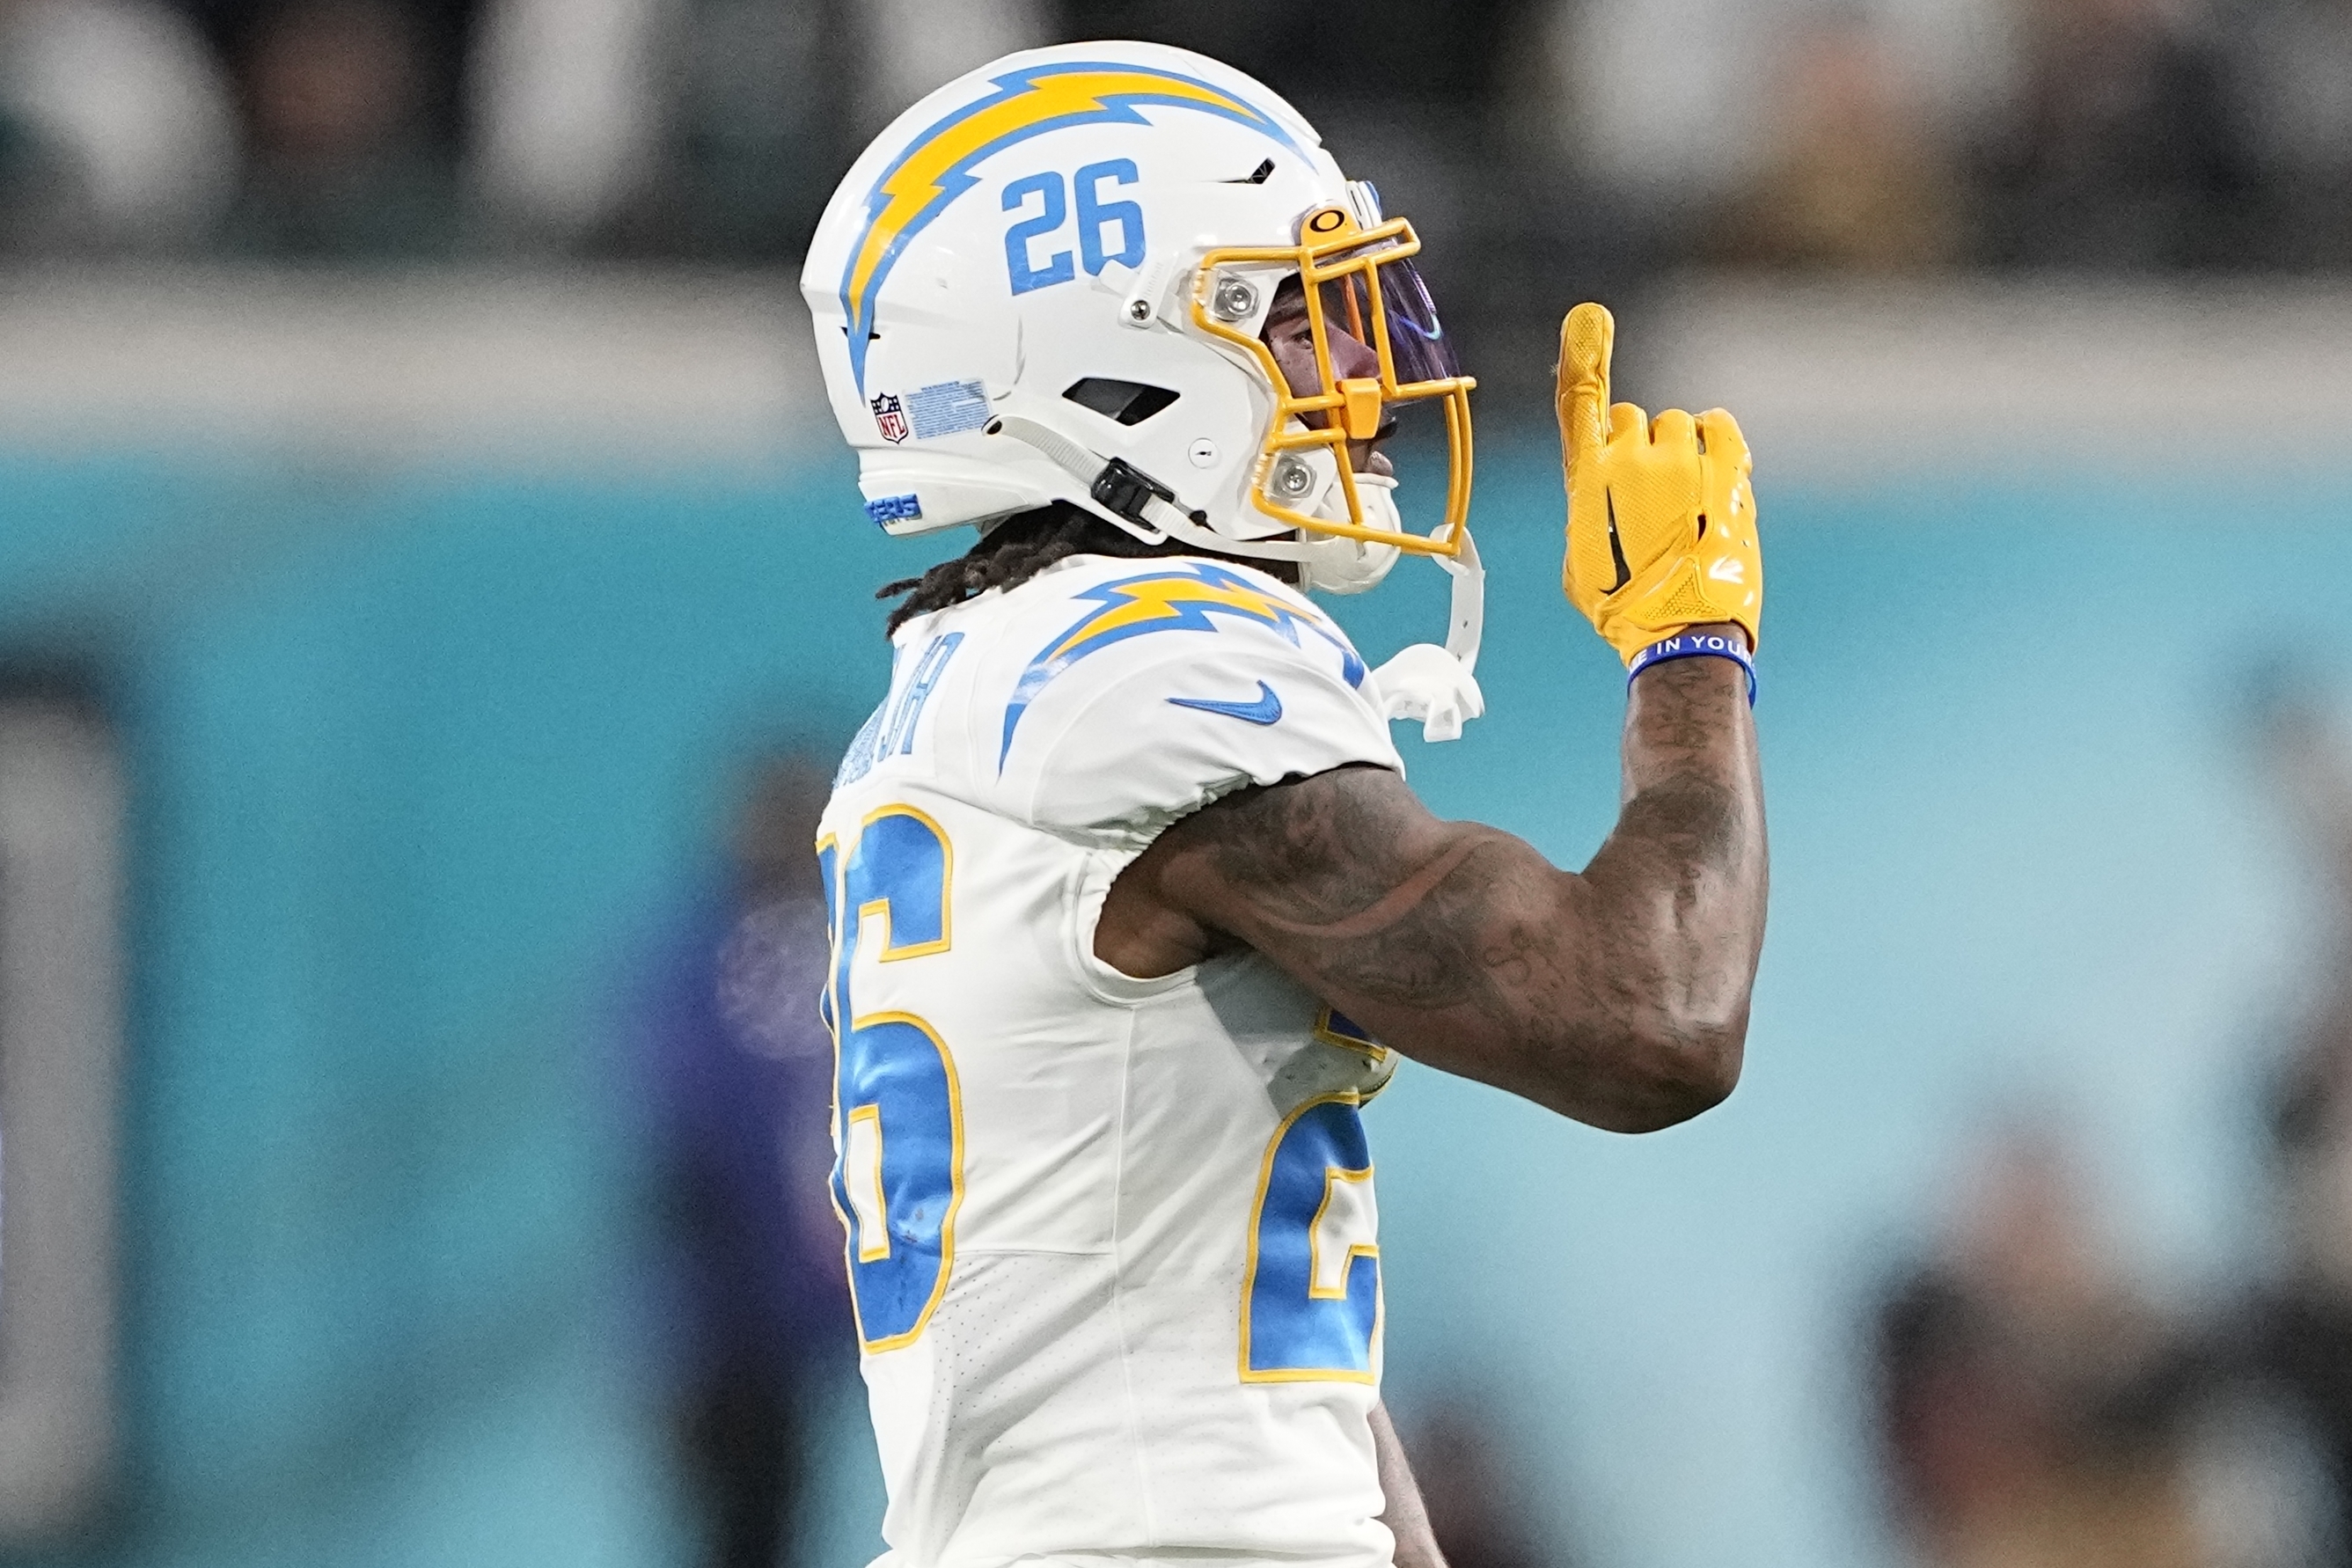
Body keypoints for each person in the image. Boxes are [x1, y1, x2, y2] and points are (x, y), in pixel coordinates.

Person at [795, 40, 1768, 1568]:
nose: (1366, 377)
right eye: (1296, 322)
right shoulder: (1141, 667)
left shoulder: (990, 682)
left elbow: (1221, 1279)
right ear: (1109, 363)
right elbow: (1648, 1017)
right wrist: (1691, 654)